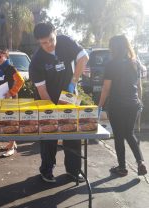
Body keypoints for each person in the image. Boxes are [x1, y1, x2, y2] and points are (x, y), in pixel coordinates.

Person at [29, 22, 89, 183]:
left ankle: (73, 171)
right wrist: (54, 113)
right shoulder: (36, 62)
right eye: (43, 43)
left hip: (69, 96)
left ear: (55, 33)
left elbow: (84, 57)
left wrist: (73, 83)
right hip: (47, 100)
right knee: (49, 136)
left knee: (72, 134)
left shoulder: (65, 41)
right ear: (38, 42)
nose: (48, 45)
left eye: (51, 40)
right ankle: (47, 170)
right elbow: (43, 92)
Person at [98, 35, 147, 176]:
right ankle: (140, 162)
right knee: (129, 133)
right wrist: (139, 101)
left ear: (113, 48)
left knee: (119, 136)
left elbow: (106, 89)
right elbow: (139, 86)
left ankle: (122, 168)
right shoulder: (135, 63)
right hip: (133, 104)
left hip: (117, 105)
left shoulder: (111, 64)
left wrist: (99, 106)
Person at [0, 48, 24, 157]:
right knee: (5, 122)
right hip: (2, 100)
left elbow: (20, 81)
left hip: (11, 100)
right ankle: (11, 143)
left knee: (11, 122)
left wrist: (11, 92)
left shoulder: (11, 68)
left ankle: (12, 146)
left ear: (6, 56)